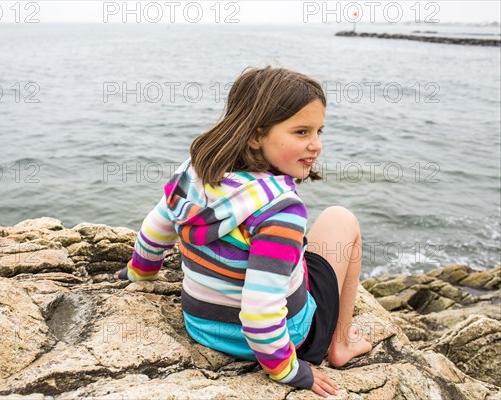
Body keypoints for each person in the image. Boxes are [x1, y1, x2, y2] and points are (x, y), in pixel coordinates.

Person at [113, 66, 372, 398]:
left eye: (319, 131)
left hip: (202, 327)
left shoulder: (194, 171)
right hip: (281, 343)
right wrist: (289, 370)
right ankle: (340, 342)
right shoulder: (281, 210)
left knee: (285, 255)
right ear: (255, 135)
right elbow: (259, 309)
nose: (317, 145)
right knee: (341, 218)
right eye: (302, 132)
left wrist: (140, 271)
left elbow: (157, 225)